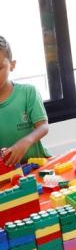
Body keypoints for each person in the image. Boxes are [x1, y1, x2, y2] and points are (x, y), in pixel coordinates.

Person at [0, 35, 50, 167]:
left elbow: (43, 126)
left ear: (12, 65)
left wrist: (26, 141)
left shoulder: (28, 92)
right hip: (6, 175)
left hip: (38, 167)